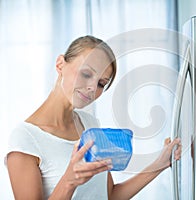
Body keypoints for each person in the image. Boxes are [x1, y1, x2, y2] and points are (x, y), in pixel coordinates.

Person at [5, 35, 181, 199]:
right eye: (86, 74)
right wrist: (69, 181)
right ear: (60, 64)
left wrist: (160, 163)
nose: (92, 87)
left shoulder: (89, 124)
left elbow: (109, 195)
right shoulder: (26, 139)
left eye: (101, 83)